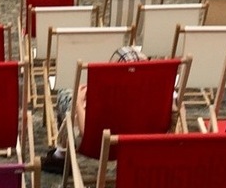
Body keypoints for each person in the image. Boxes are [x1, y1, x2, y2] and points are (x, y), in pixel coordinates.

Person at [40, 45, 147, 175]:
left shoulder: (110, 97)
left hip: (96, 144)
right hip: (139, 141)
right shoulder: (154, 97)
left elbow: (87, 131)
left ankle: (59, 156)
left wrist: (79, 102)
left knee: (67, 100)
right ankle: (59, 155)